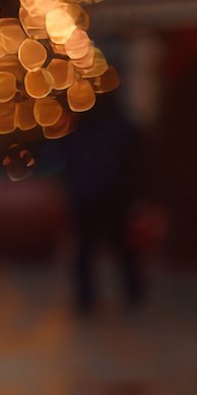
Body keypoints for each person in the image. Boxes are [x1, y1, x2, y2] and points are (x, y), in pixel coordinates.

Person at [58, 102, 146, 313]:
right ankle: (125, 292)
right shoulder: (121, 126)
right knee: (113, 247)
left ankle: (87, 297)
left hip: (95, 196)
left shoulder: (81, 127)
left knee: (93, 249)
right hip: (109, 196)